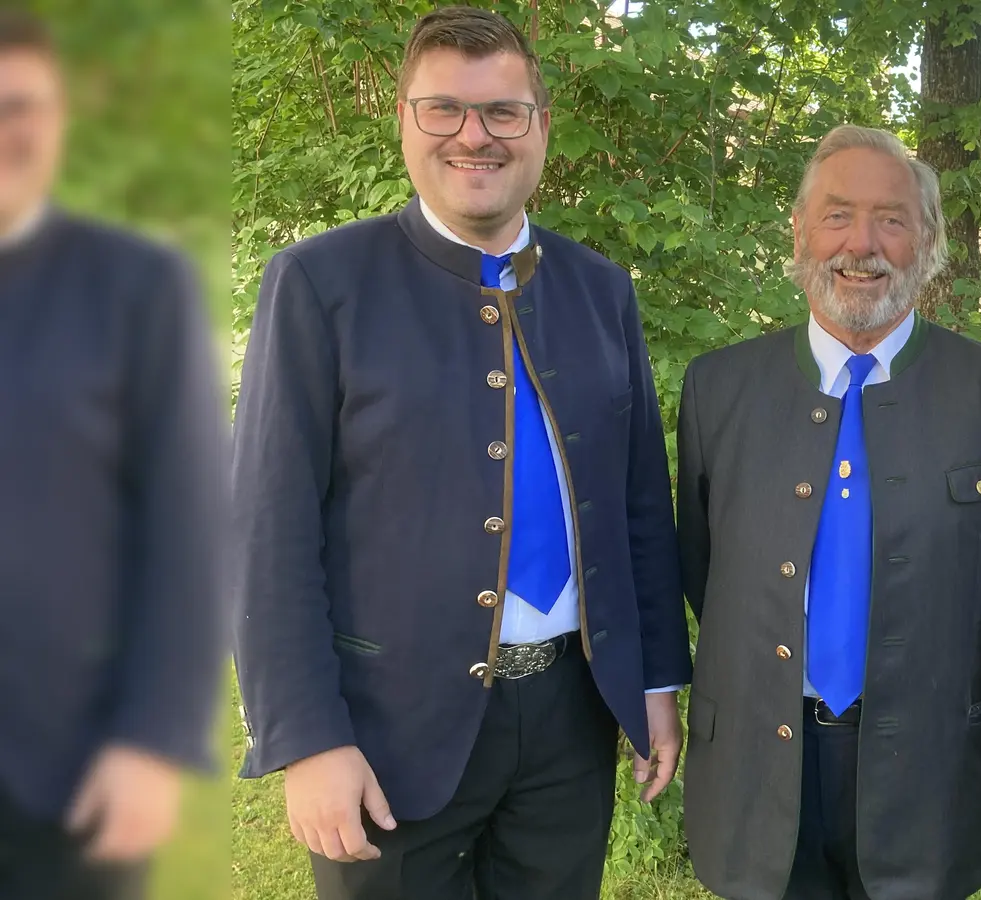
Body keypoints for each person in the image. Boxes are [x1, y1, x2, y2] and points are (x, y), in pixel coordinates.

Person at [231, 6, 692, 898]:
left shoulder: (601, 290)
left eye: (502, 113)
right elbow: (267, 531)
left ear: (541, 127)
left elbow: (639, 505)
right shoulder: (320, 285)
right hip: (388, 728)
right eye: (443, 110)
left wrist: (658, 682)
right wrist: (308, 739)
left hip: (572, 716)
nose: (473, 136)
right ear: (403, 121)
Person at [676, 124, 981, 900]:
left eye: (893, 219)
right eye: (838, 215)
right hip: (759, 767)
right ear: (801, 230)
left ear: (931, 240)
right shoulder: (718, 390)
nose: (862, 243)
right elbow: (702, 565)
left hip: (934, 776)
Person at [0, 9, 228, 900]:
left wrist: (154, 740)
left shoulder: (137, 289)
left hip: (66, 771)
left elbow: (188, 530)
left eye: (22, 105)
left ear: (60, 119)